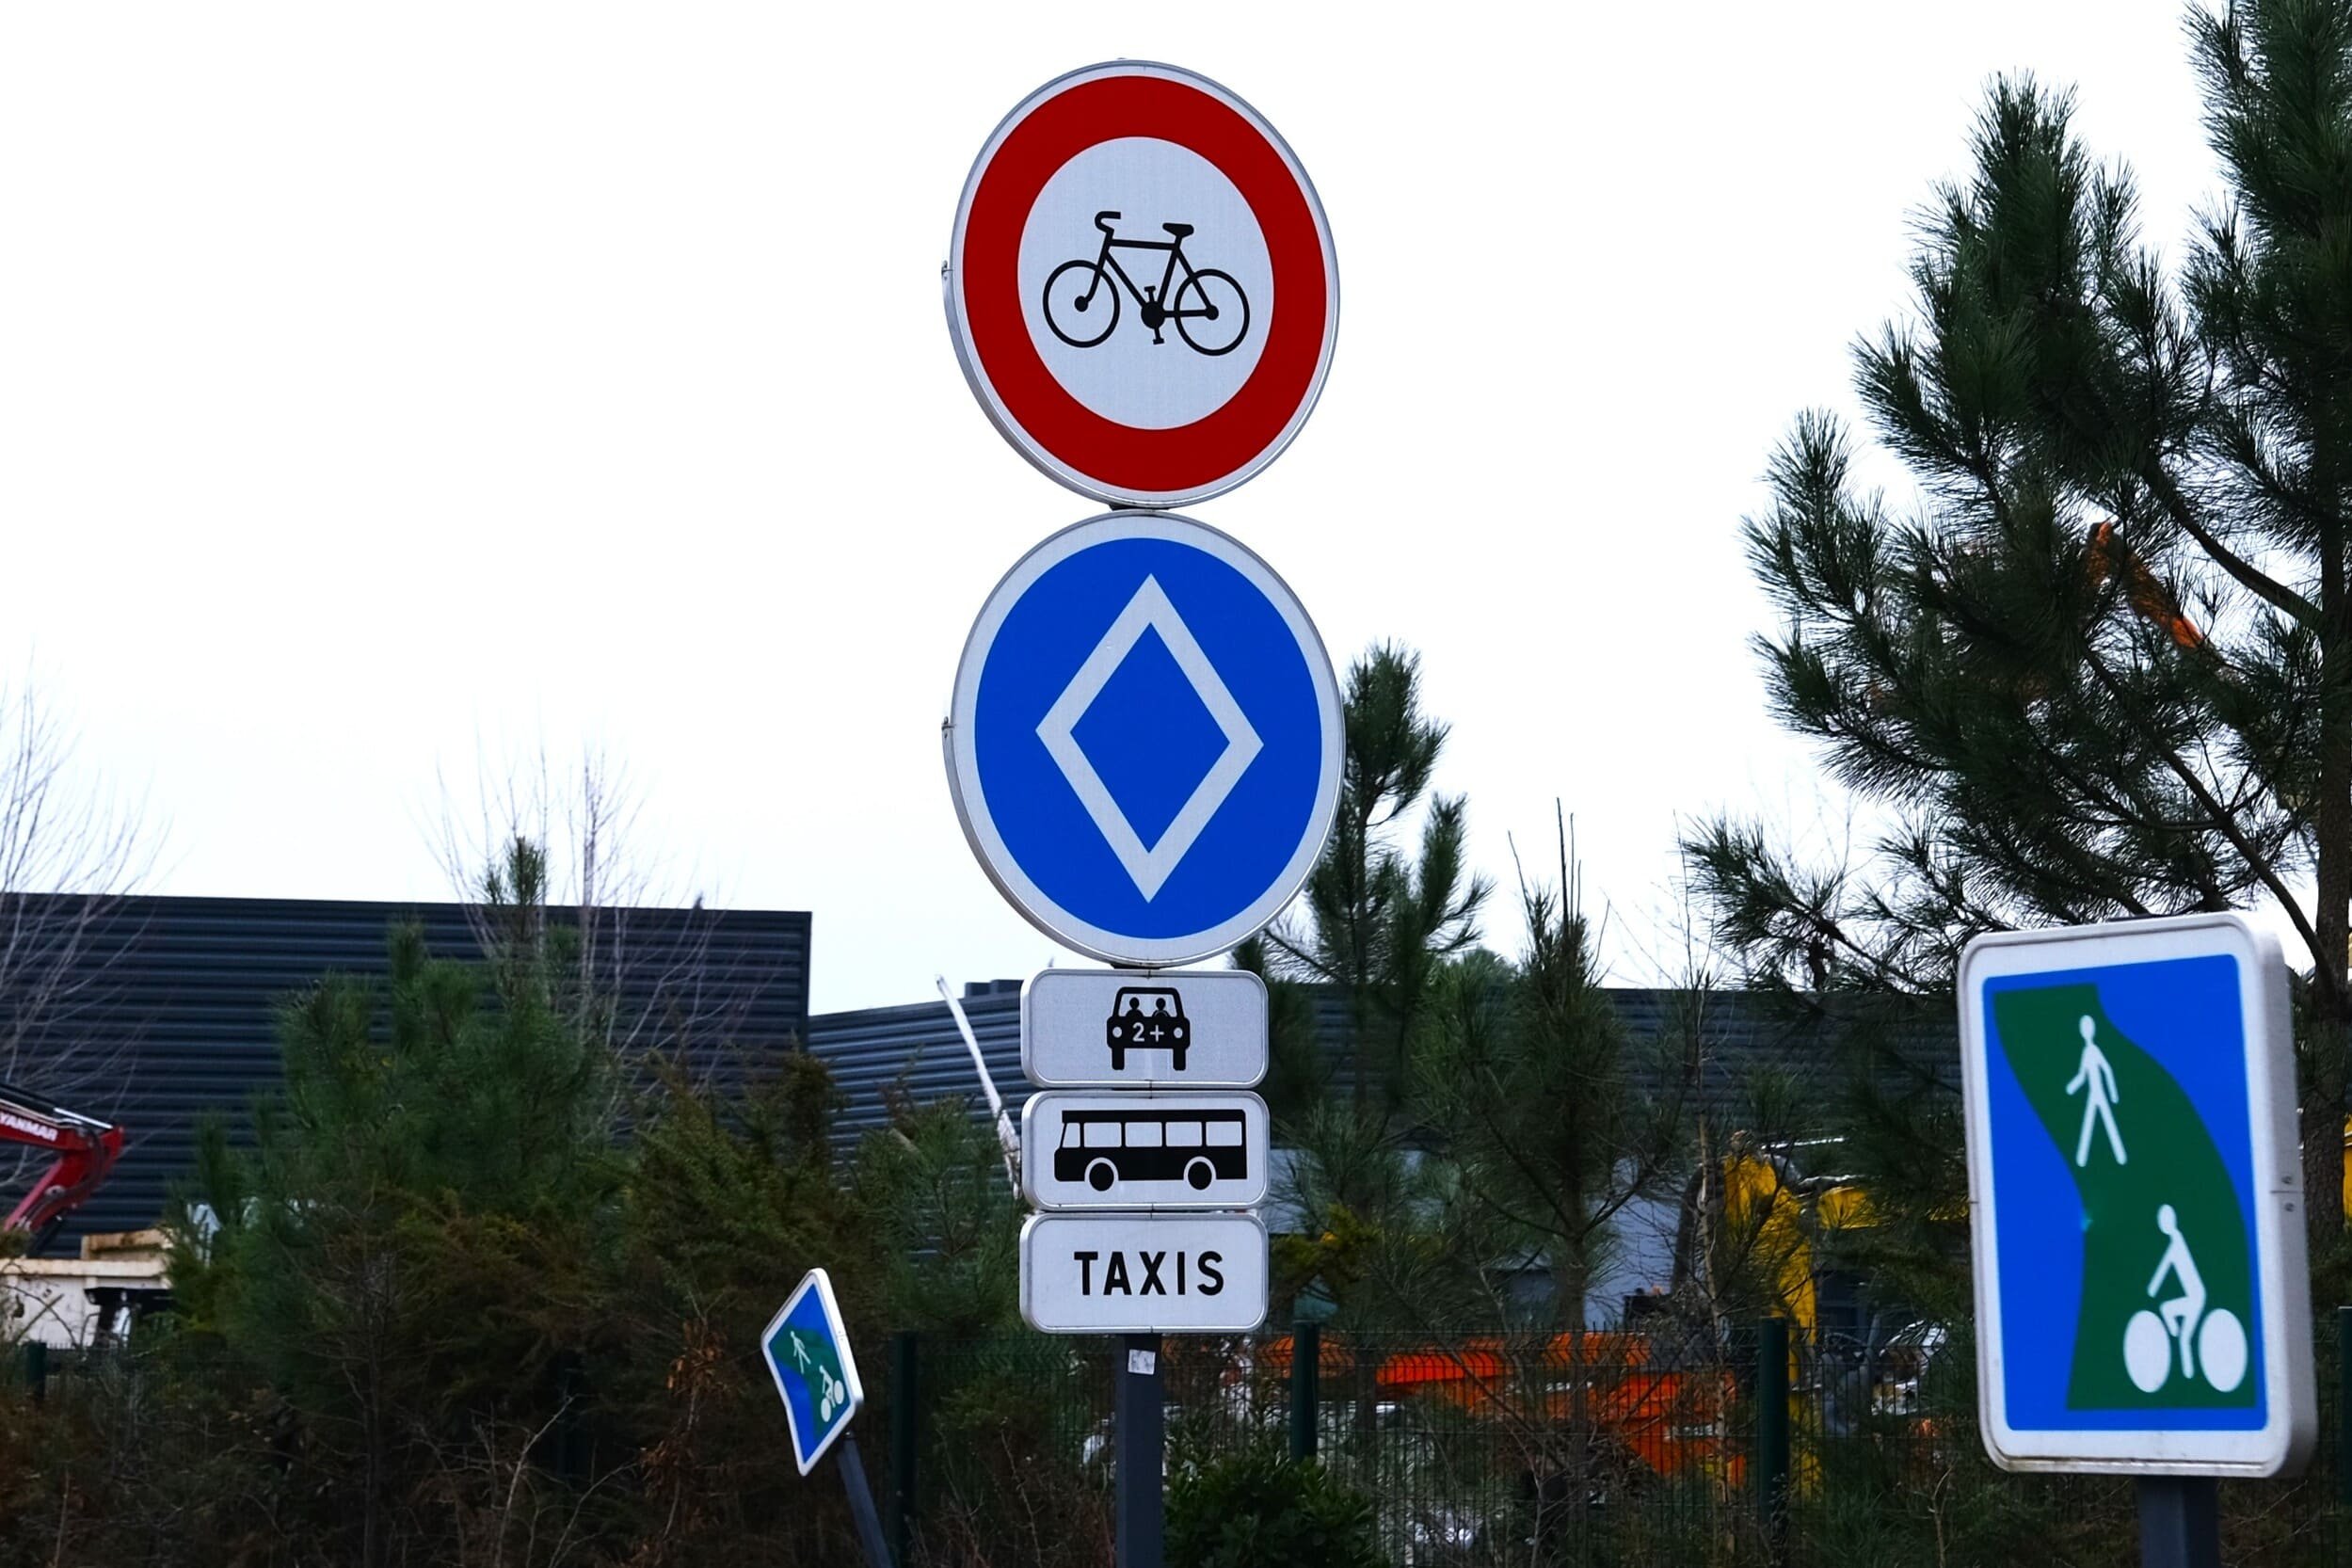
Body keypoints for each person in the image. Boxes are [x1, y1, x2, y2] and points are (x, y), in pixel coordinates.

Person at [2148, 1204, 2207, 1382]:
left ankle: (2188, 1376)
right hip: (2195, 1296)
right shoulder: (2176, 1240)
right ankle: (2174, 1336)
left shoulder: (2177, 1241)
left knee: (2180, 1331)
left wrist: (2153, 1288)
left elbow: (2166, 1264)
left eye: (2164, 1221)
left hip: (2195, 1297)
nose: (2163, 1225)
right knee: (2180, 1332)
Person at [2066, 1015, 2126, 1167]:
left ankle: (2119, 1156)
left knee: (2104, 1122)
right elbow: (2083, 1075)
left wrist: (2113, 1093)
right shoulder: (2086, 1052)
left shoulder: (2094, 1050)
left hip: (2100, 1094)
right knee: (2092, 1122)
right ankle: (2083, 1159)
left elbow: (2107, 1069)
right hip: (2094, 1094)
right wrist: (2072, 1087)